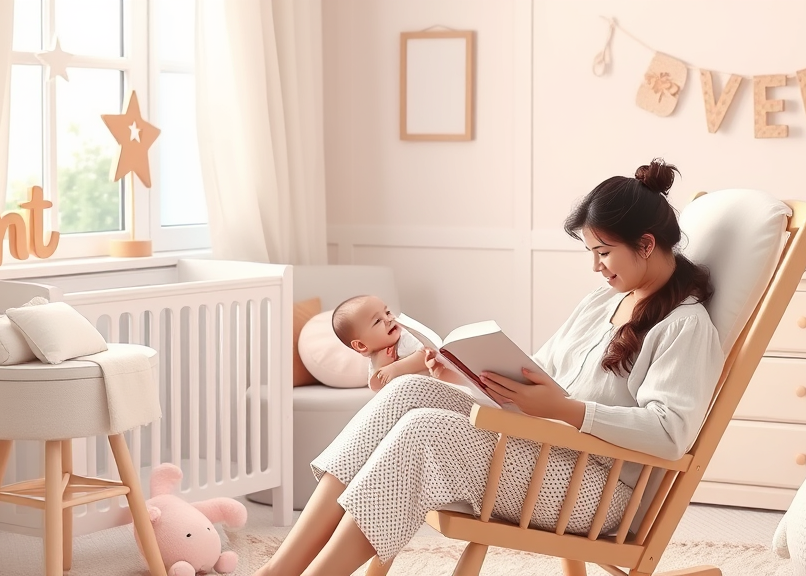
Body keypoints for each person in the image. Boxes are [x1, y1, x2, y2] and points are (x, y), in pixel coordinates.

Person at [251, 159, 725, 576]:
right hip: (548, 447)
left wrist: (565, 409)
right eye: (592, 255)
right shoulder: (604, 301)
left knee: (425, 432)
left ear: (645, 244)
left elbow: (670, 433)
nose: (597, 268)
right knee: (405, 393)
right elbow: (541, 373)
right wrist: (468, 375)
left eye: (603, 253)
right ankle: (280, 569)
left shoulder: (685, 326)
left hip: (602, 489)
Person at [330, 295, 429, 391]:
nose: (388, 319)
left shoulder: (406, 336)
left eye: (387, 312)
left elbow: (429, 356)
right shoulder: (377, 360)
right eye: (377, 321)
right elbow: (377, 388)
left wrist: (395, 368)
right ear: (361, 345)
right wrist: (380, 368)